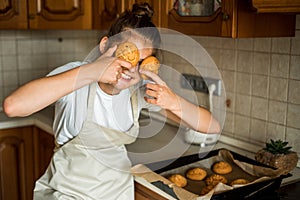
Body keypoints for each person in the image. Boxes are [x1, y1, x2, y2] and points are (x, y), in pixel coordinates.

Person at [3, 2, 220, 200]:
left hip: (118, 194)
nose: (131, 68)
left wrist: (173, 101)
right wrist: (91, 71)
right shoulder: (77, 76)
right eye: (127, 55)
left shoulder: (138, 91)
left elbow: (211, 126)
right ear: (105, 45)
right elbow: (14, 106)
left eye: (141, 62)